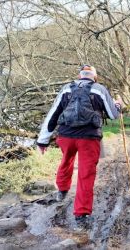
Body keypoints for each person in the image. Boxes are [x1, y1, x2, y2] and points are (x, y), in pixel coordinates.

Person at [36, 65, 121, 228]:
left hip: (66, 136)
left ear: (79, 76)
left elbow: (52, 115)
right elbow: (112, 115)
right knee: (86, 174)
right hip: (89, 139)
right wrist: (117, 105)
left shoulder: (66, 88)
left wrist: (43, 141)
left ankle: (62, 190)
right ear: (94, 77)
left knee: (66, 159)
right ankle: (81, 215)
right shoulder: (99, 89)